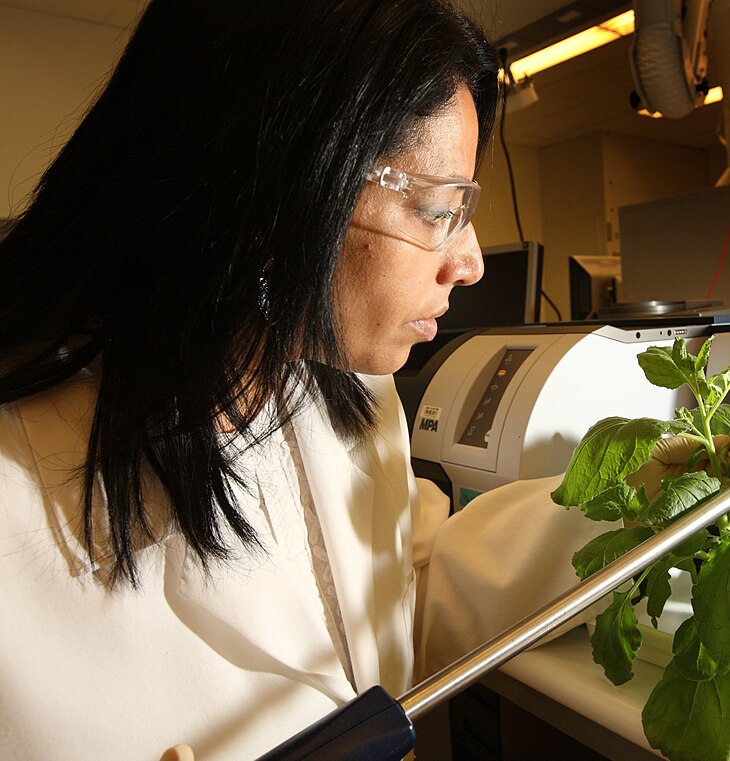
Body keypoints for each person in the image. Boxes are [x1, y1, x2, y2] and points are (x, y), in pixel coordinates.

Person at [0, 2, 606, 759]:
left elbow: (401, 596)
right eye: (435, 209)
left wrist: (628, 505)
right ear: (272, 191)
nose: (470, 261)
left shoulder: (347, 391)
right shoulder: (17, 488)